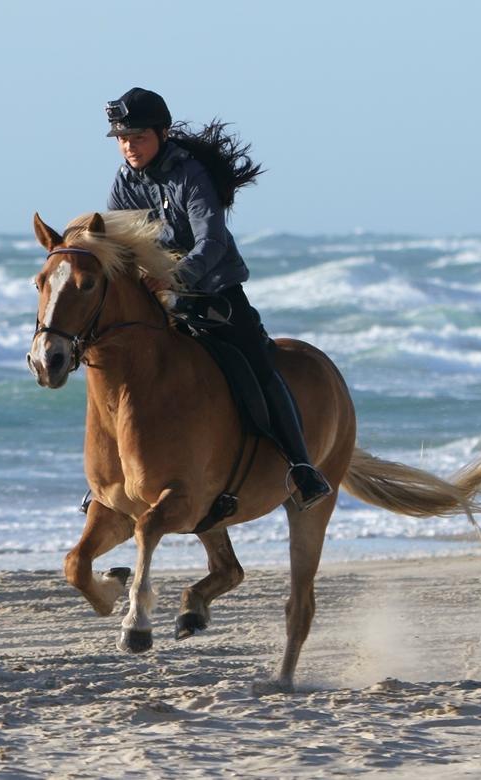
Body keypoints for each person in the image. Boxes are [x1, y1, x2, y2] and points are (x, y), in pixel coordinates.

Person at [102, 86, 332, 510]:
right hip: (161, 302)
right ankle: (111, 479)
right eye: (122, 139)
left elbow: (211, 241)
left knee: (258, 366)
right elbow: (122, 247)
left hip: (215, 293)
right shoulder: (124, 182)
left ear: (163, 133)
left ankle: (301, 465)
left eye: (137, 137)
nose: (128, 147)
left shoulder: (191, 174)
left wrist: (174, 277)